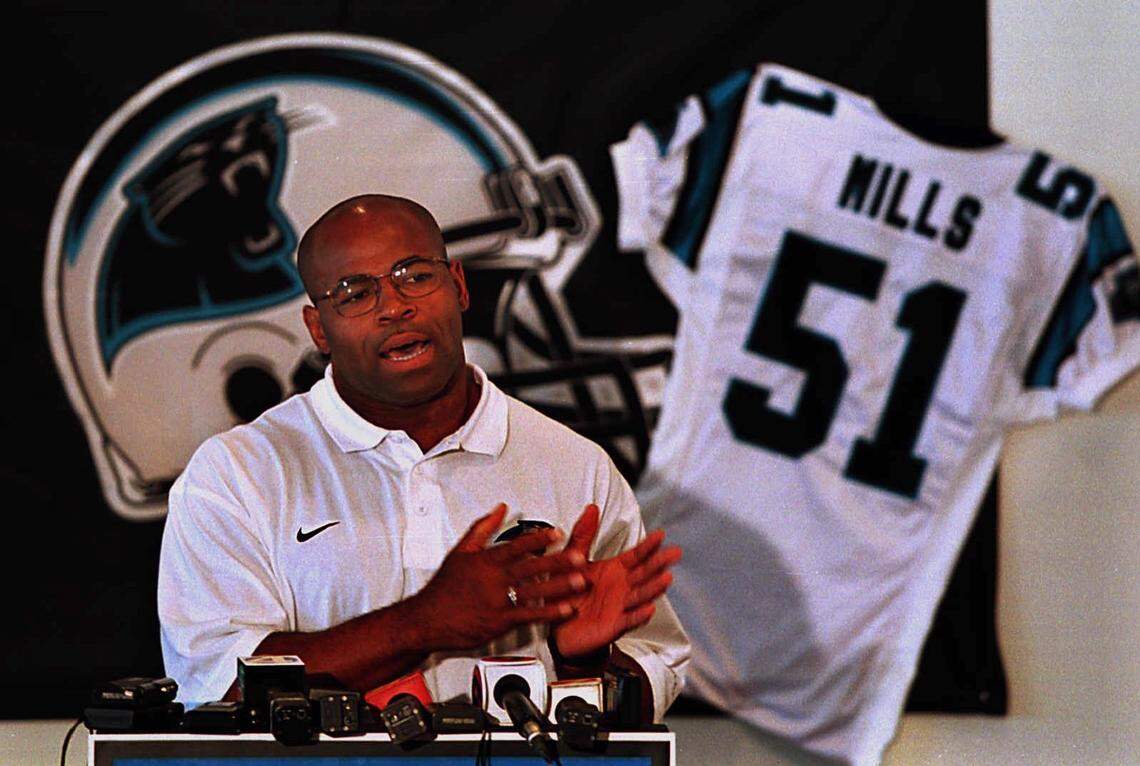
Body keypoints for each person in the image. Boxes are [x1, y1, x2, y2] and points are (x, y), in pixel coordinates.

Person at [158, 194, 690, 721]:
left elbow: (652, 681)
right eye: (354, 293)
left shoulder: (575, 467)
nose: (394, 306)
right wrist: (425, 623)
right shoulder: (237, 473)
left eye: (414, 275)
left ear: (457, 285)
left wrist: (587, 658)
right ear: (319, 328)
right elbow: (217, 685)